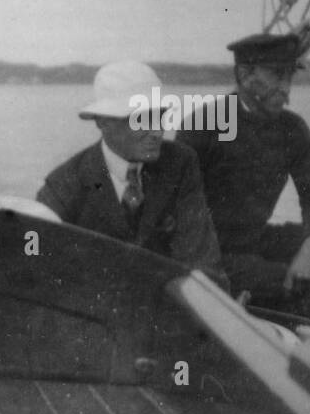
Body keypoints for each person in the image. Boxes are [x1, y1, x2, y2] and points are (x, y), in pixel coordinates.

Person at [176, 32, 310, 333]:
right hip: (215, 256)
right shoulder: (208, 124)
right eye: (277, 76)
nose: (287, 89)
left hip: (256, 241)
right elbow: (178, 209)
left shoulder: (291, 129)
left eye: (290, 77)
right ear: (244, 74)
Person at [37, 61, 227, 287]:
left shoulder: (180, 163)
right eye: (141, 119)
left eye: (160, 117)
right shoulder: (62, 187)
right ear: (102, 122)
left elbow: (204, 263)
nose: (157, 131)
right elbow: (39, 276)